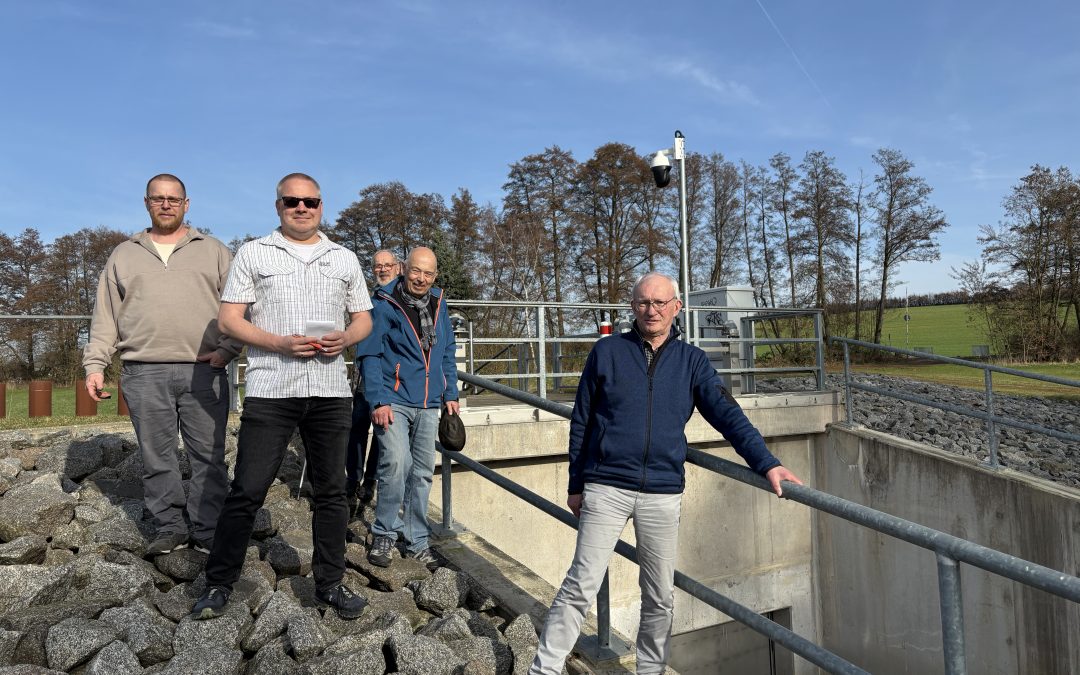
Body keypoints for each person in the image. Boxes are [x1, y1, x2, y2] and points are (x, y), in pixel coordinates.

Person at [529, 272, 804, 675]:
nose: (651, 310)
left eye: (660, 303)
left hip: (662, 492)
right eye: (643, 302)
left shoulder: (692, 362)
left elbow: (729, 416)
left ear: (677, 307)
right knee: (580, 585)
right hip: (606, 485)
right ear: (632, 307)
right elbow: (582, 421)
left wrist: (767, 463)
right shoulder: (607, 352)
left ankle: (650, 671)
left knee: (659, 595)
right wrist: (576, 484)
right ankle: (544, 670)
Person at [191, 173, 373, 620]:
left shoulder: (344, 258)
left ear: (321, 205)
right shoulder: (254, 253)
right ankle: (218, 584)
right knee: (248, 489)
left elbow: (364, 319)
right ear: (278, 206)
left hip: (330, 392)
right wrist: (278, 344)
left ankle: (330, 583)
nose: (302, 208)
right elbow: (230, 320)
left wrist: (346, 338)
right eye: (292, 201)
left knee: (332, 492)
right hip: (273, 389)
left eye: (310, 201)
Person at [83, 174, 240, 556]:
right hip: (143, 371)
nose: (166, 204)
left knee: (209, 456)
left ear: (187, 204)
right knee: (157, 457)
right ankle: (169, 527)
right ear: (146, 203)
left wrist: (229, 348)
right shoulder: (124, 253)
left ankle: (207, 530)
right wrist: (95, 363)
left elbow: (242, 304)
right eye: (158, 198)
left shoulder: (216, 251)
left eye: (173, 198)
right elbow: (106, 314)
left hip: (205, 369)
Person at [361, 246, 459, 571]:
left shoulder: (439, 304)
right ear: (404, 268)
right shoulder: (385, 304)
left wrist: (451, 394)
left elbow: (446, 352)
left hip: (430, 402)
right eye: (416, 271)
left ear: (435, 276)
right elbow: (370, 354)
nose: (420, 279)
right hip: (394, 399)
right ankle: (384, 533)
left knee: (421, 474)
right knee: (396, 463)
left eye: (428, 274)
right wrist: (378, 400)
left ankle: (417, 540)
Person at [346, 249, 401, 509]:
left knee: (382, 433)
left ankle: (370, 481)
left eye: (387, 265)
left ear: (398, 267)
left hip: (389, 377)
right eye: (378, 266)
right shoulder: (371, 300)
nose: (382, 269)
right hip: (365, 373)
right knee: (356, 429)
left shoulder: (401, 300)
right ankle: (353, 479)